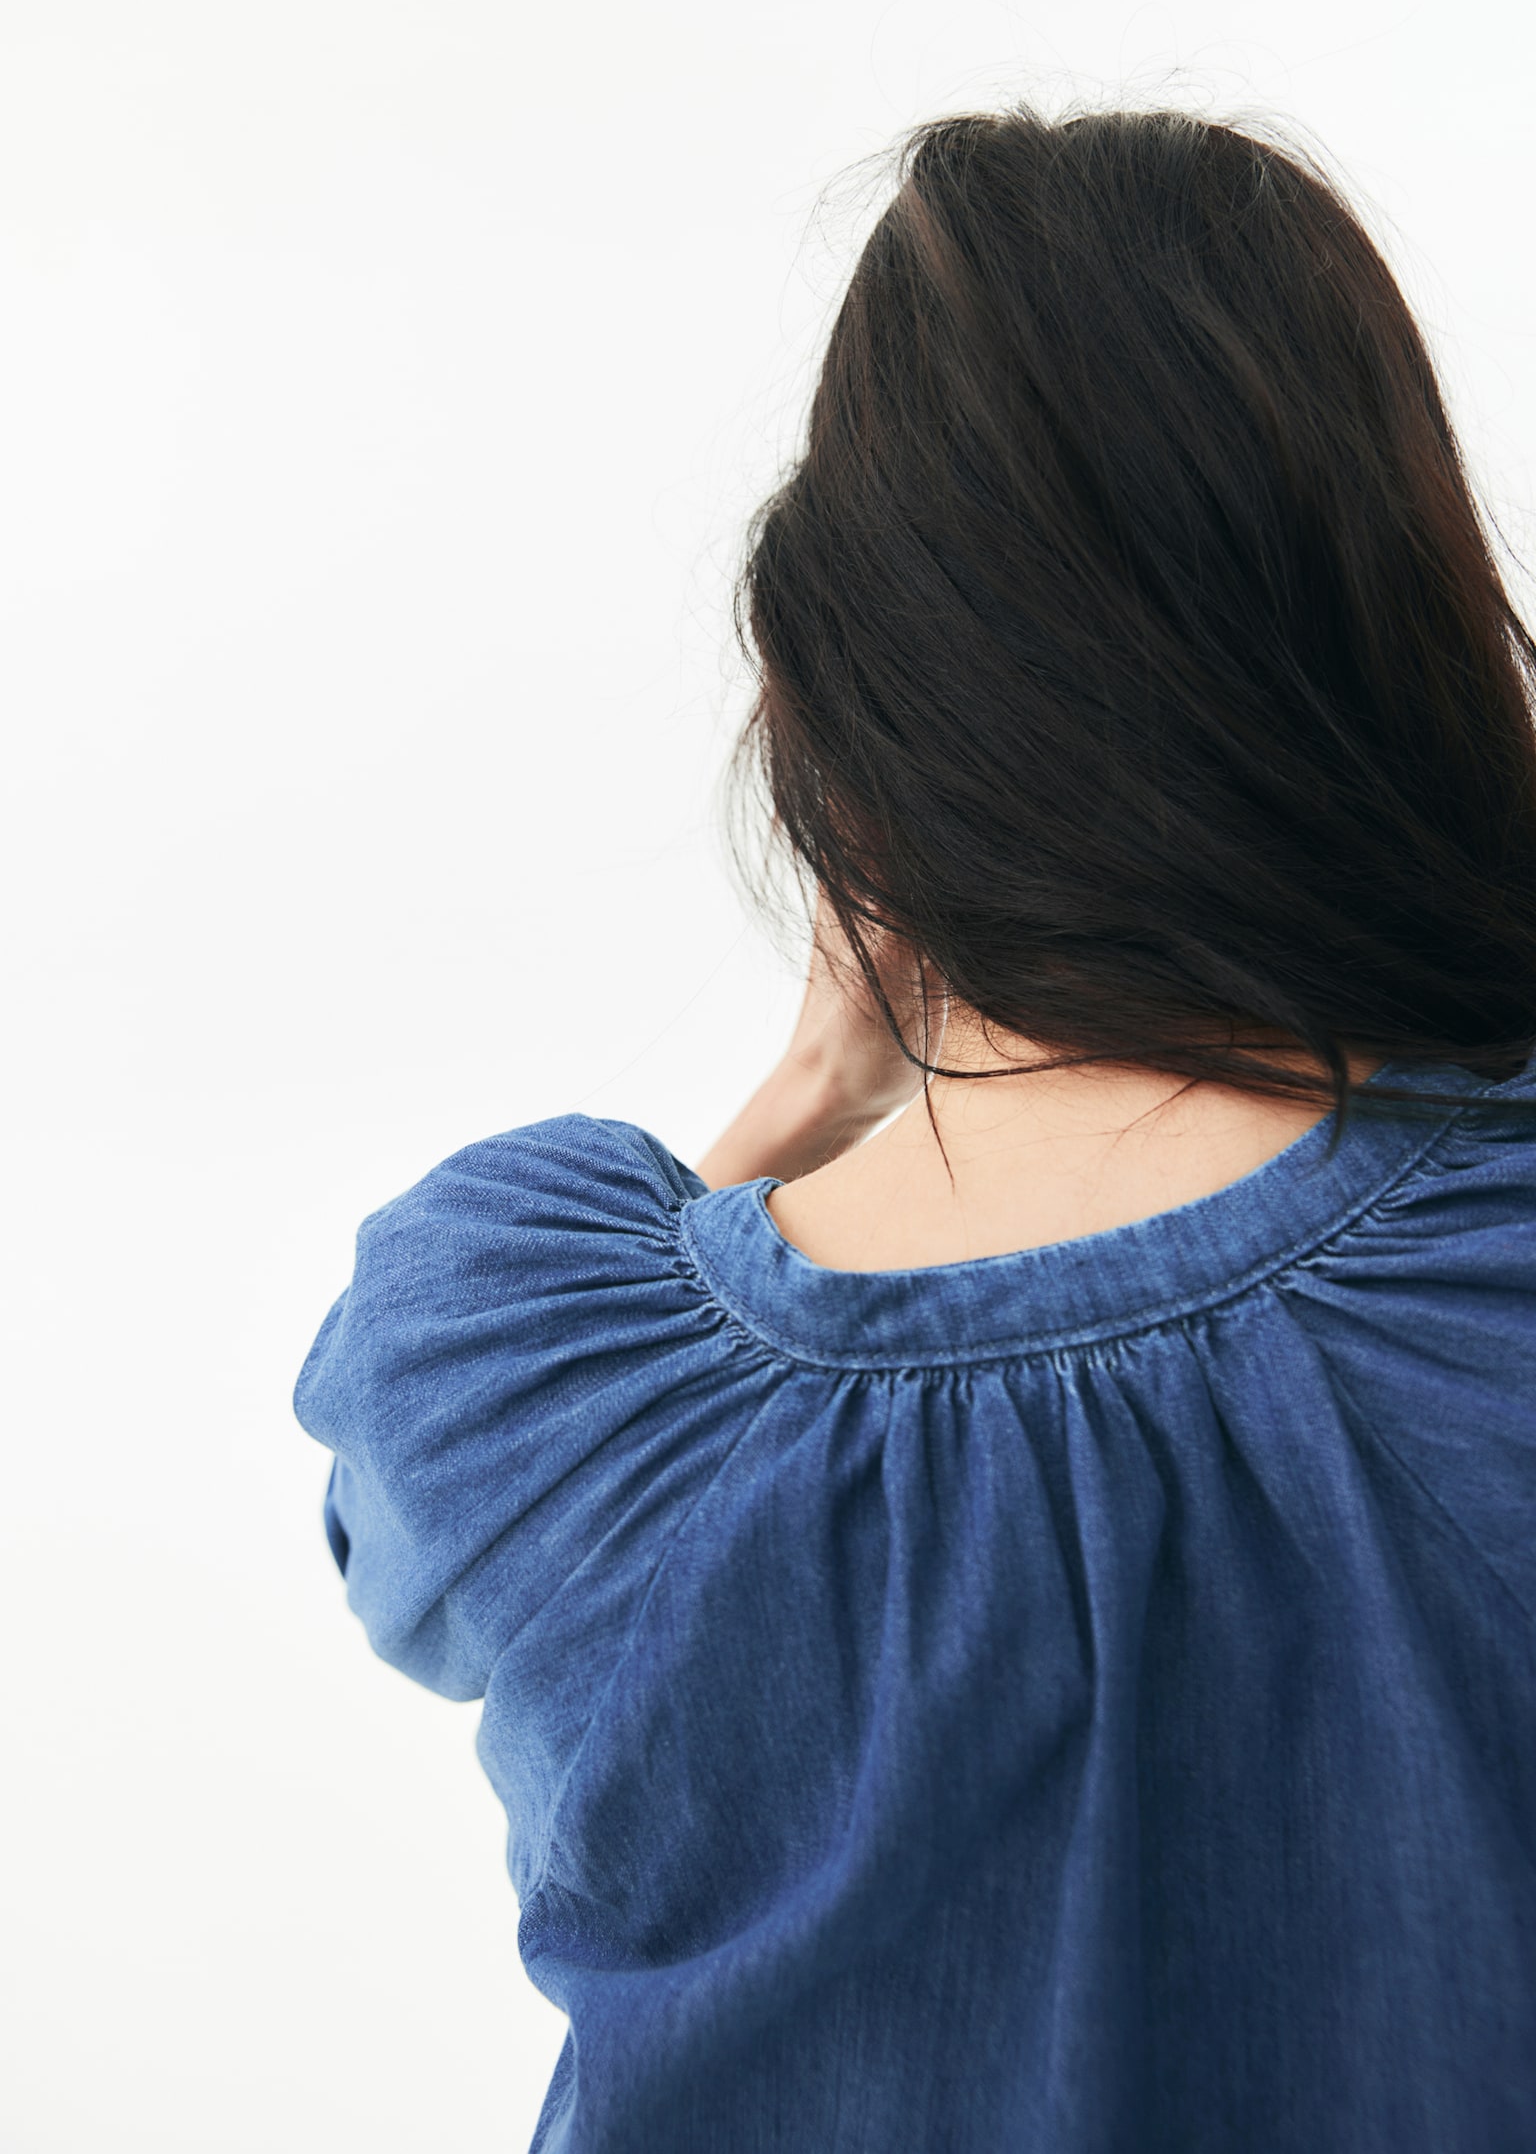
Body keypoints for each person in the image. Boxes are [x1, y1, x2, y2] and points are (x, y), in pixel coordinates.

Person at [294, 107, 1536, 2152]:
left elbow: (423, 1551)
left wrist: (811, 1091)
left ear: (840, 703)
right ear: (1403, 632)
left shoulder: (542, 1370)